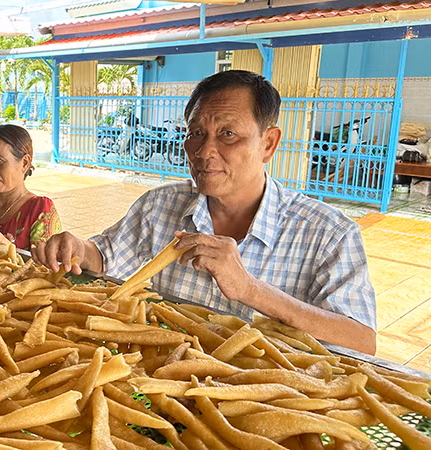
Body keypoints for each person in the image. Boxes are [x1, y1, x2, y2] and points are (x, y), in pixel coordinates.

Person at [31, 70, 376, 354]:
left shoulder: (329, 233)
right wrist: (78, 248)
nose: (205, 150)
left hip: (260, 402)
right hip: (165, 384)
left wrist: (250, 290)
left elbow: (361, 339)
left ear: (268, 143)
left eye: (227, 134)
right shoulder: (161, 206)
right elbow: (104, 257)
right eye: (196, 132)